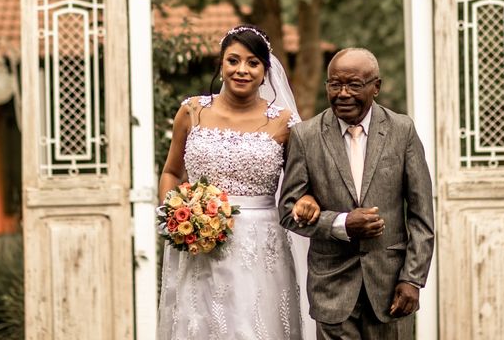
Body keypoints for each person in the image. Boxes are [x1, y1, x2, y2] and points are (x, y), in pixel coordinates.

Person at [157, 25, 318, 340]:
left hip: (260, 245)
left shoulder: (285, 122)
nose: (242, 70)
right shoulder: (191, 111)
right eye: (233, 61)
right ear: (221, 65)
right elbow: (171, 172)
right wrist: (174, 214)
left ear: (265, 71)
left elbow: (304, 184)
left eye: (253, 63)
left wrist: (306, 200)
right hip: (199, 245)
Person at [279, 48, 434, 340]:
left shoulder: (402, 131)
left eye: (354, 85)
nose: (343, 93)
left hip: (391, 289)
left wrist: (412, 279)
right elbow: (288, 210)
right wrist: (341, 224)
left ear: (376, 87)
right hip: (332, 289)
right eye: (335, 84)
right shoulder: (306, 135)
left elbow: (421, 216)